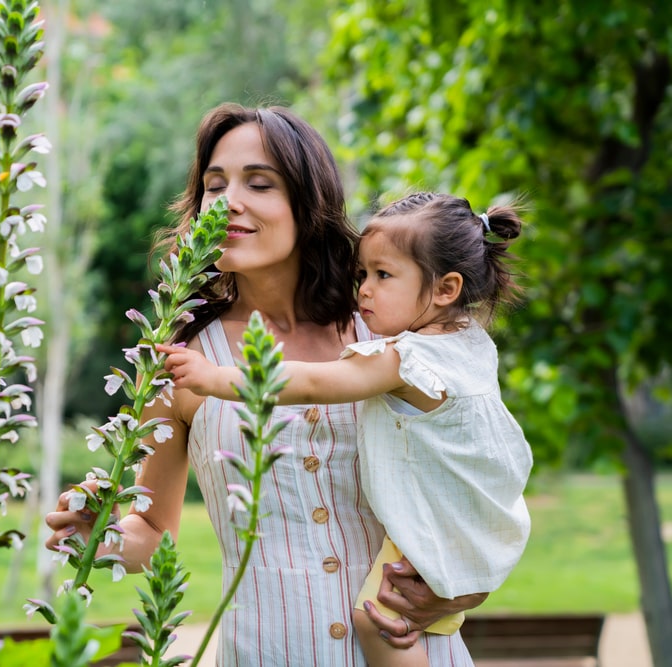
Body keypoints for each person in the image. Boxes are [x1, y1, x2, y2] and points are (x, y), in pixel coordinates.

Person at [45, 104, 483, 666]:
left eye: (260, 182)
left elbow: (475, 467)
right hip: (270, 650)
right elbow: (153, 528)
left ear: (308, 199)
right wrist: (99, 536)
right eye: (213, 184)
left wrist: (468, 586)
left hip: (415, 651)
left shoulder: (385, 332)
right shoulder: (179, 360)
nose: (229, 201)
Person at [158, 191, 533, 667]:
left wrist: (218, 377)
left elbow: (317, 382)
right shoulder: (468, 343)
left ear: (445, 289)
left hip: (436, 521)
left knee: (377, 619)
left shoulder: (405, 354)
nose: (365, 291)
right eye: (363, 275)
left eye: (382, 275)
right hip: (468, 513)